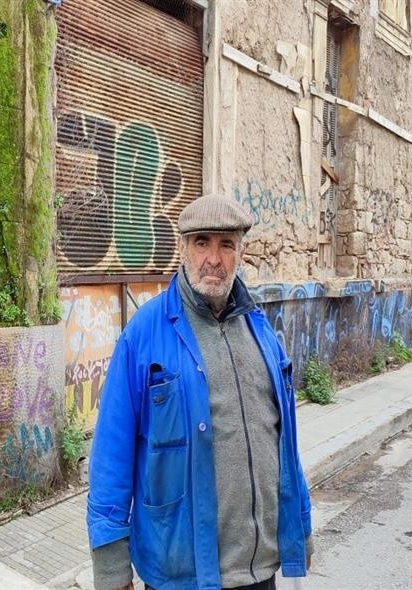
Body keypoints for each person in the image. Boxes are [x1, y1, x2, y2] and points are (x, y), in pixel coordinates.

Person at [86, 194, 313, 590]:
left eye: (226, 244)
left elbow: (285, 447)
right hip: (181, 571)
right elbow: (111, 453)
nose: (214, 258)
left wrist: (301, 528)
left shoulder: (261, 333)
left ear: (241, 252)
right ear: (182, 248)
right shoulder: (144, 334)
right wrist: (110, 565)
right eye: (202, 242)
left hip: (260, 568)